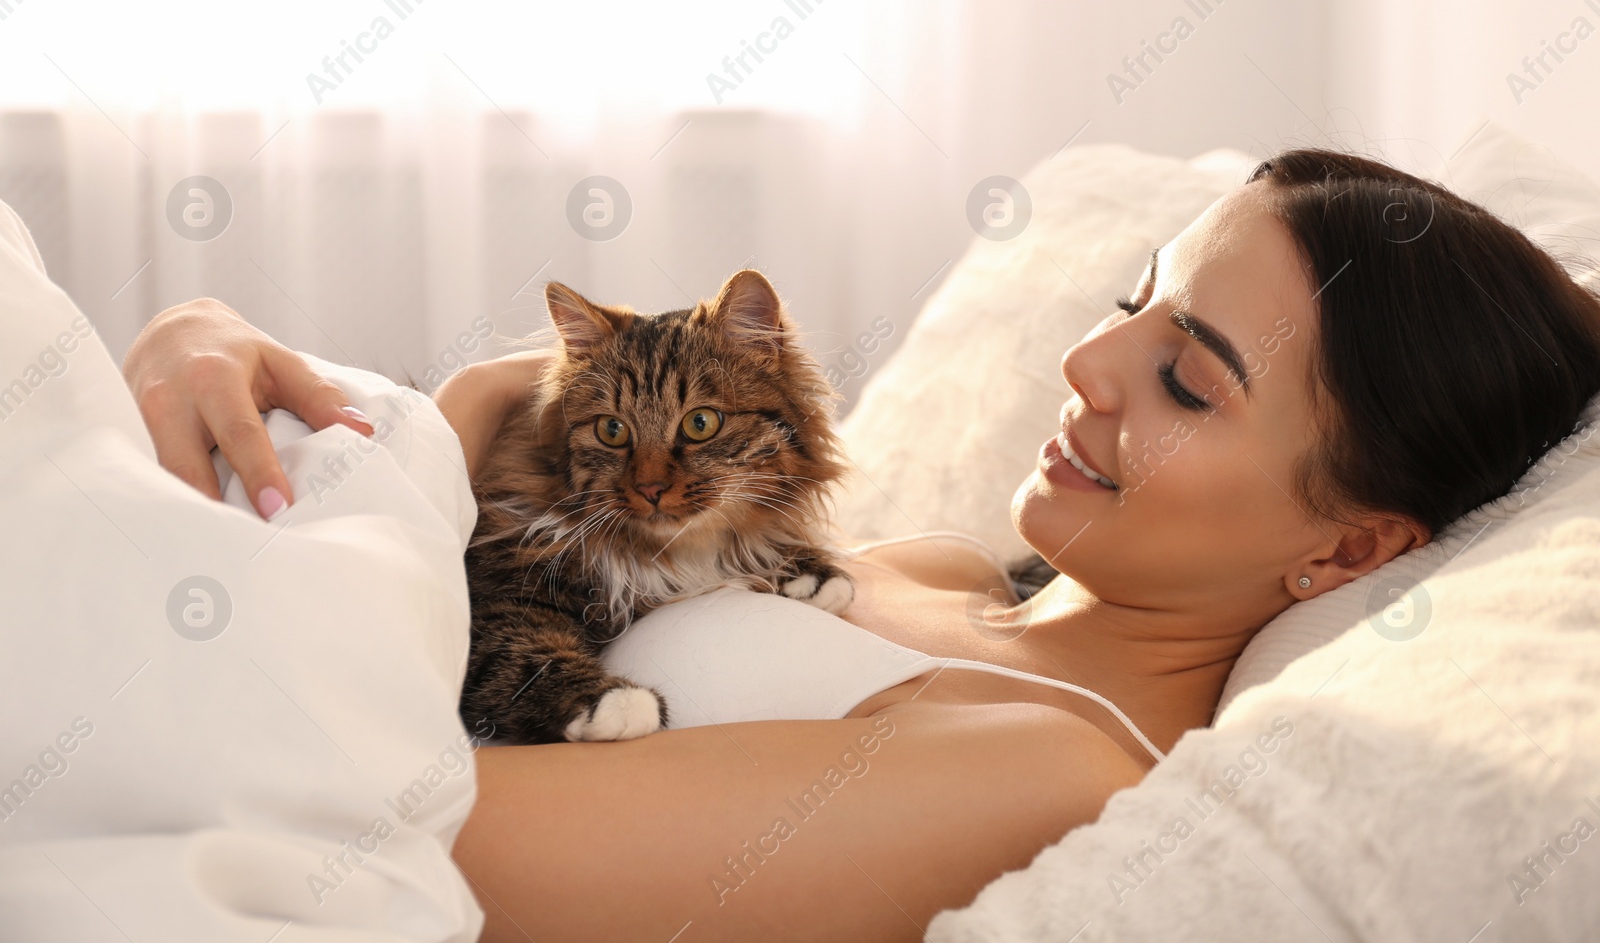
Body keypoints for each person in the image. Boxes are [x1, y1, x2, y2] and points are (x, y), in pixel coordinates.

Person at [121, 150, 1600, 942]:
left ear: (1347, 558)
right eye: (1129, 302)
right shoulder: (948, 577)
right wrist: (226, 347)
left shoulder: (1049, 764)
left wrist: (447, 415)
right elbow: (498, 565)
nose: (1088, 365)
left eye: (1188, 378)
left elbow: (389, 832)